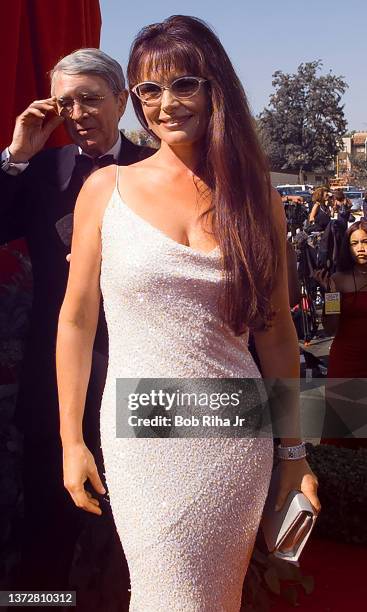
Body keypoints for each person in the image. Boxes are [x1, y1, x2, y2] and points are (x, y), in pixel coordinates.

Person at [56, 16, 320, 611]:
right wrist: (71, 438)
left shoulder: (258, 200)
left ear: (214, 88)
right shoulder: (105, 190)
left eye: (183, 84)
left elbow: (277, 334)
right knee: (163, 592)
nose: (165, 104)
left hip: (234, 433)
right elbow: (75, 321)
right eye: (149, 90)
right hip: (141, 435)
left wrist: (295, 456)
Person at [0, 48, 153, 595]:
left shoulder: (159, 170)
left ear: (122, 99)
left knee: (136, 540)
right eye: (66, 102)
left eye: (90, 99)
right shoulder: (42, 171)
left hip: (140, 376)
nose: (78, 113)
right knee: (46, 534)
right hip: (54, 385)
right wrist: (16, 155)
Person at [315, 220, 367, 378]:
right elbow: (331, 329)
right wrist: (331, 294)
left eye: (365, 242)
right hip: (346, 362)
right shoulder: (338, 279)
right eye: (354, 243)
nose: (360, 248)